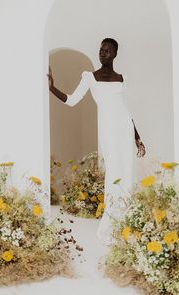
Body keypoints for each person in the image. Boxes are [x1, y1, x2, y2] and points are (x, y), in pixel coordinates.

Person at [47, 38, 146, 244]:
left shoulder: (122, 78)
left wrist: (138, 139)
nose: (103, 53)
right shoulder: (90, 77)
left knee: (128, 173)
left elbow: (126, 111)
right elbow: (72, 100)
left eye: (108, 50)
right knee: (114, 174)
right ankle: (113, 222)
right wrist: (52, 88)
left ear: (115, 54)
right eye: (101, 50)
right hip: (109, 131)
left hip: (125, 129)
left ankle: (129, 221)